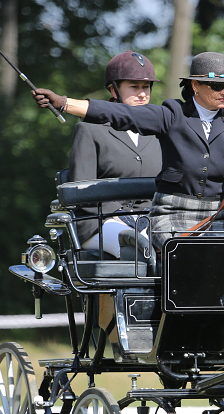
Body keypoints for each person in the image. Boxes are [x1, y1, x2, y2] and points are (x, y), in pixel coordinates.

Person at [34, 51, 224, 251]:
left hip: (219, 211)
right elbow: (121, 114)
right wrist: (64, 103)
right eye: (216, 86)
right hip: (174, 211)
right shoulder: (171, 114)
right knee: (183, 254)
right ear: (195, 85)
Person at [68, 51, 163, 259]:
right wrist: (123, 218)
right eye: (134, 86)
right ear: (114, 89)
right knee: (139, 248)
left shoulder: (159, 130)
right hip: (100, 222)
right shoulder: (90, 129)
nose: (142, 94)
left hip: (150, 220)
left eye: (146, 87)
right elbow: (82, 191)